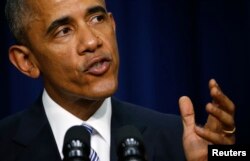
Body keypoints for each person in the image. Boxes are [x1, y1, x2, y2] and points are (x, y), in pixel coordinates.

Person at [0, 0, 236, 161]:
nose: (92, 42)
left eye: (96, 18)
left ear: (112, 25)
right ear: (26, 61)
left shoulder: (177, 137)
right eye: (64, 31)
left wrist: (227, 156)